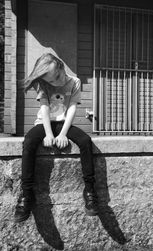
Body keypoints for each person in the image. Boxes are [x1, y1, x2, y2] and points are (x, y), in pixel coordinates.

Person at [14, 53, 98, 223]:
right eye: (52, 81)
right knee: (29, 142)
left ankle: (89, 191)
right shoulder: (43, 83)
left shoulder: (74, 82)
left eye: (58, 77)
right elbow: (44, 108)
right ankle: (27, 194)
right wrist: (49, 134)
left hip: (63, 124)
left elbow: (72, 108)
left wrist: (62, 134)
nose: (57, 82)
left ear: (61, 66)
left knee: (85, 141)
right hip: (43, 124)